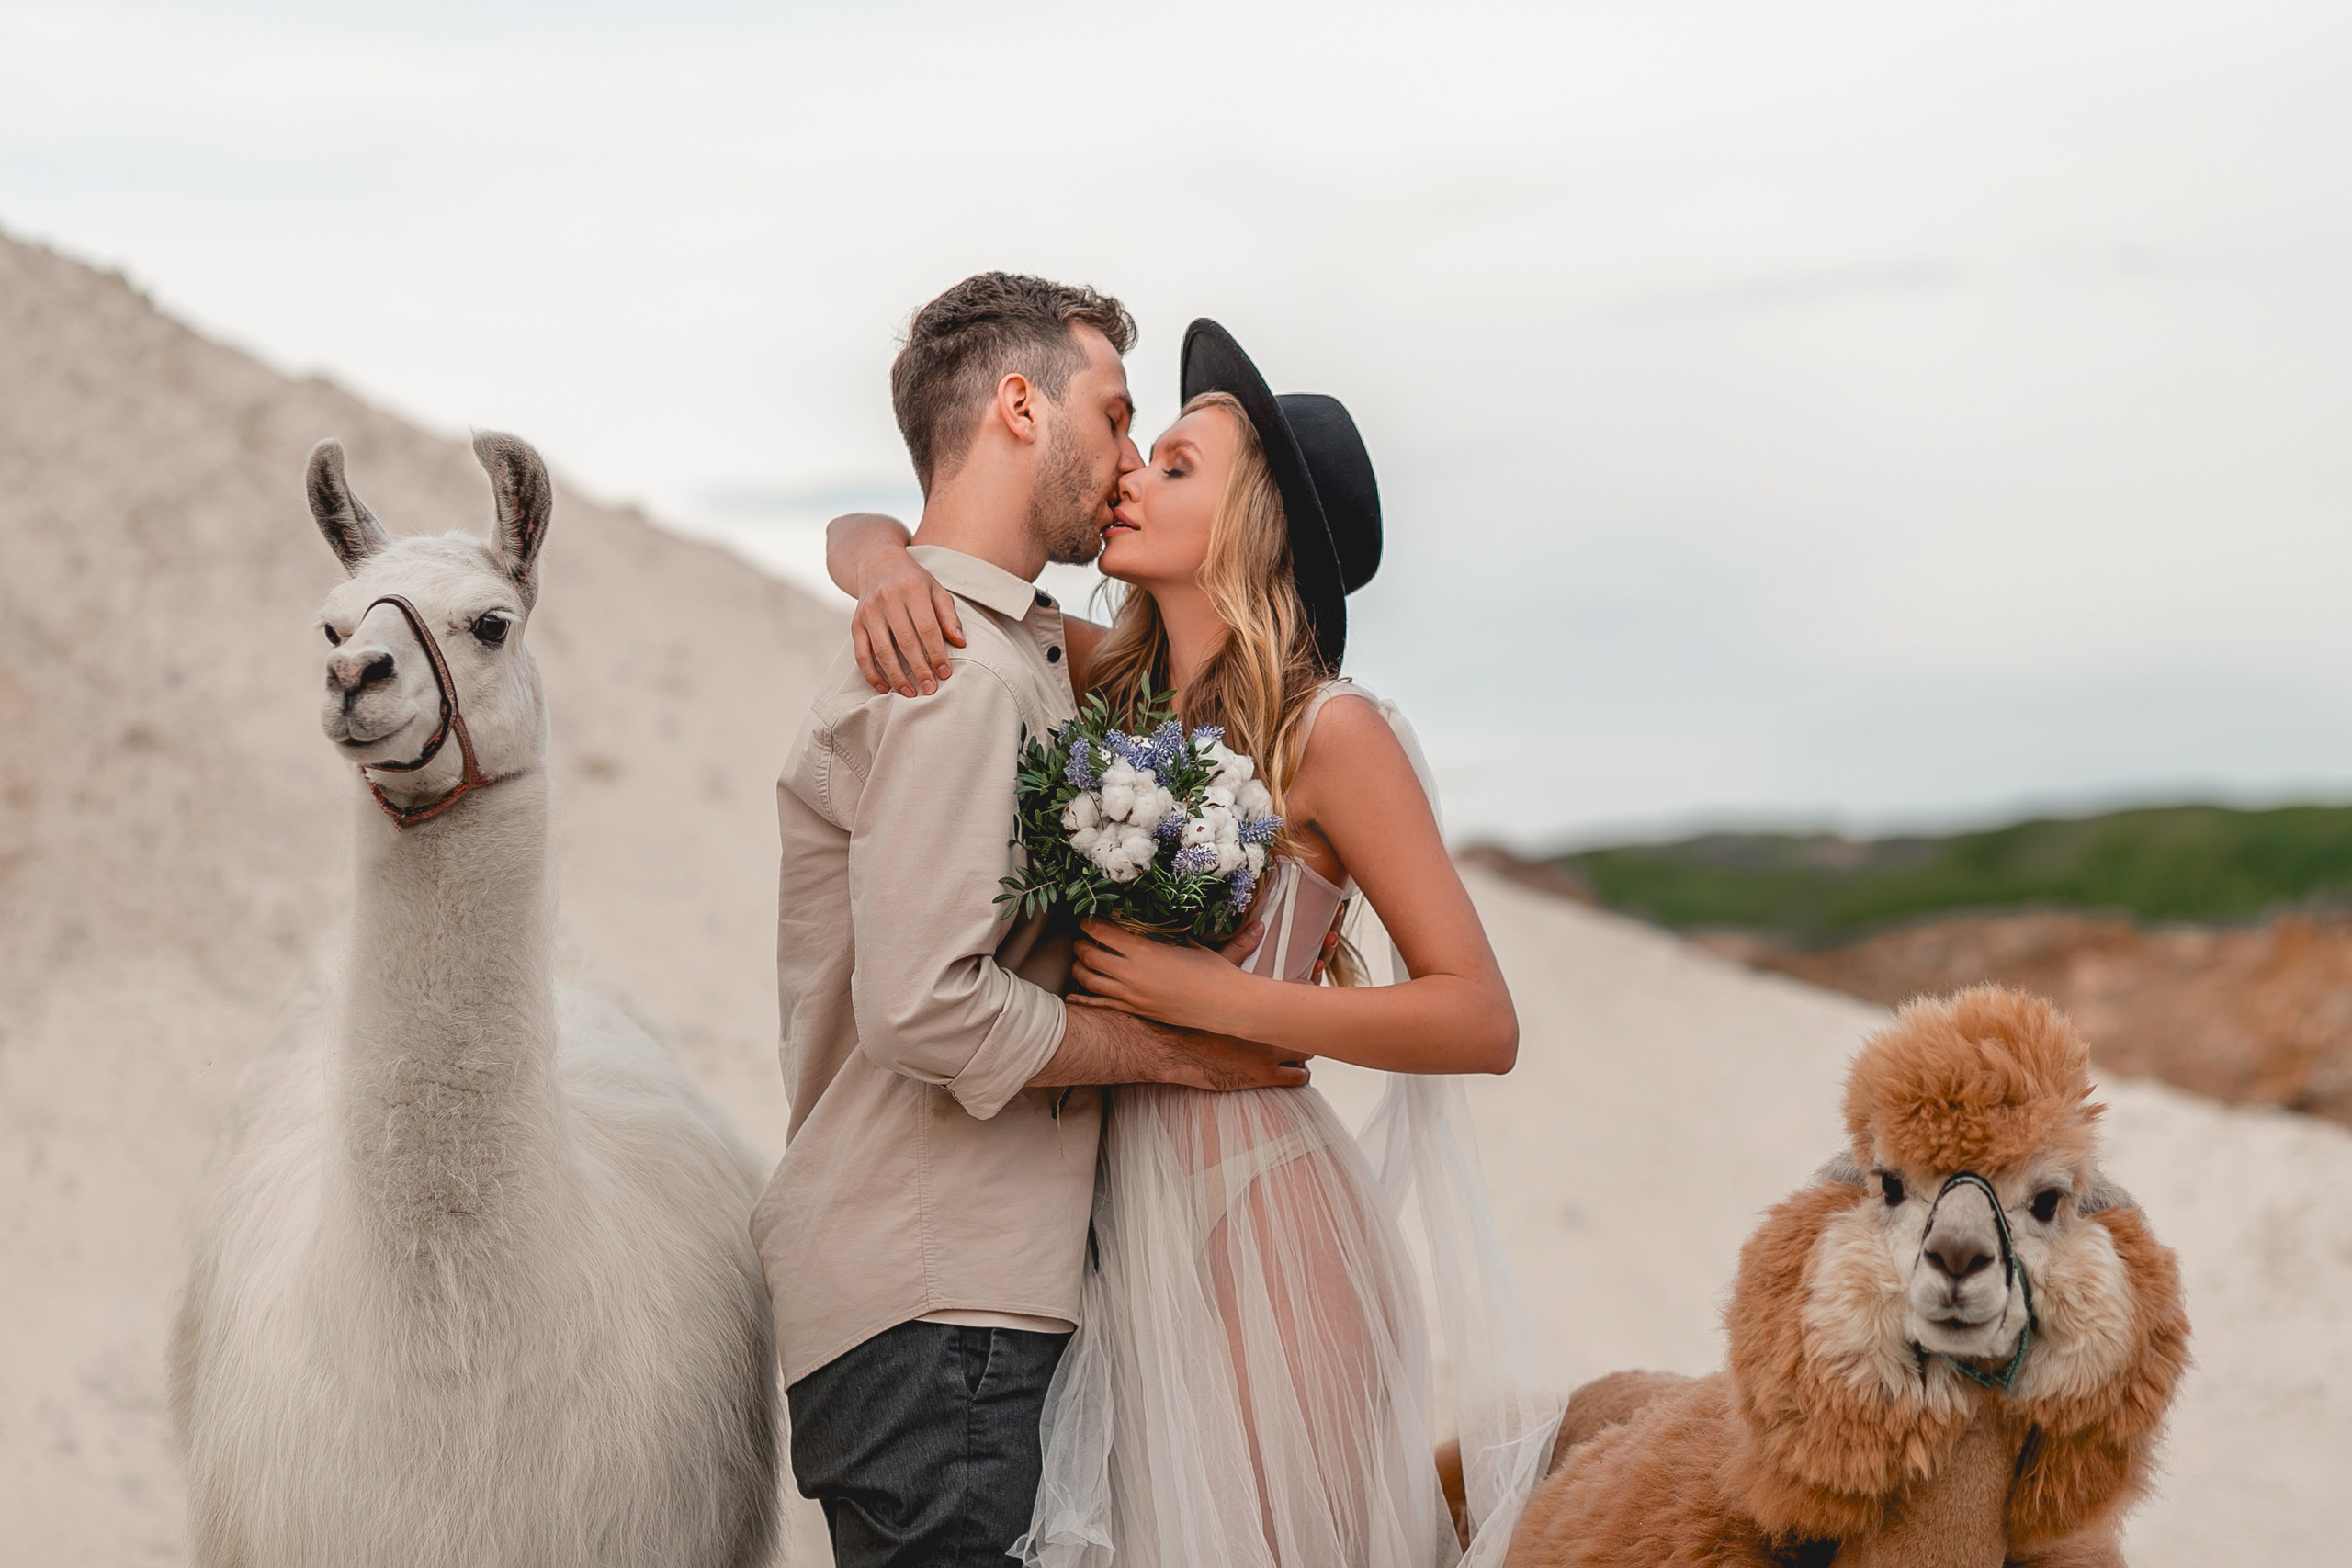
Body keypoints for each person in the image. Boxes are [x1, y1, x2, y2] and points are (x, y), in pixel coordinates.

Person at [826, 318, 1562, 1567]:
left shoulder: (1332, 733)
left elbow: (1476, 1018)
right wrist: (877, 565)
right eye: (1140, 452)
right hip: (1123, 1252)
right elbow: (892, 540)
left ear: (1249, 524)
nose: (1127, 476)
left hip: (1264, 1221)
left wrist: (1210, 1000)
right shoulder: (1112, 685)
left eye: (1173, 466)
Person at [752, 276, 1315, 1568]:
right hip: (943, 1303)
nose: (1126, 464)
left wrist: (874, 549)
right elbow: (925, 1004)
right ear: (1019, 405)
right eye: (1117, 419)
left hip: (958, 1301)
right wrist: (1174, 1050)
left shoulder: (1005, 649)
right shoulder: (952, 672)